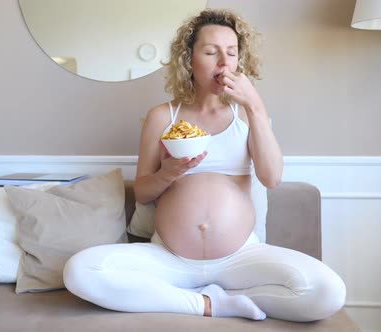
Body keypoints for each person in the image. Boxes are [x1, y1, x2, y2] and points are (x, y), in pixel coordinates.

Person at [63, 8, 346, 322]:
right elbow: (143, 192)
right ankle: (206, 305)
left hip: (240, 258)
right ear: (189, 59)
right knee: (80, 271)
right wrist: (168, 173)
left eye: (232, 53)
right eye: (211, 52)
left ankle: (232, 296)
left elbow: (272, 177)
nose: (224, 63)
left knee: (329, 292)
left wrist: (254, 104)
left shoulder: (249, 115)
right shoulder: (162, 116)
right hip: (169, 258)